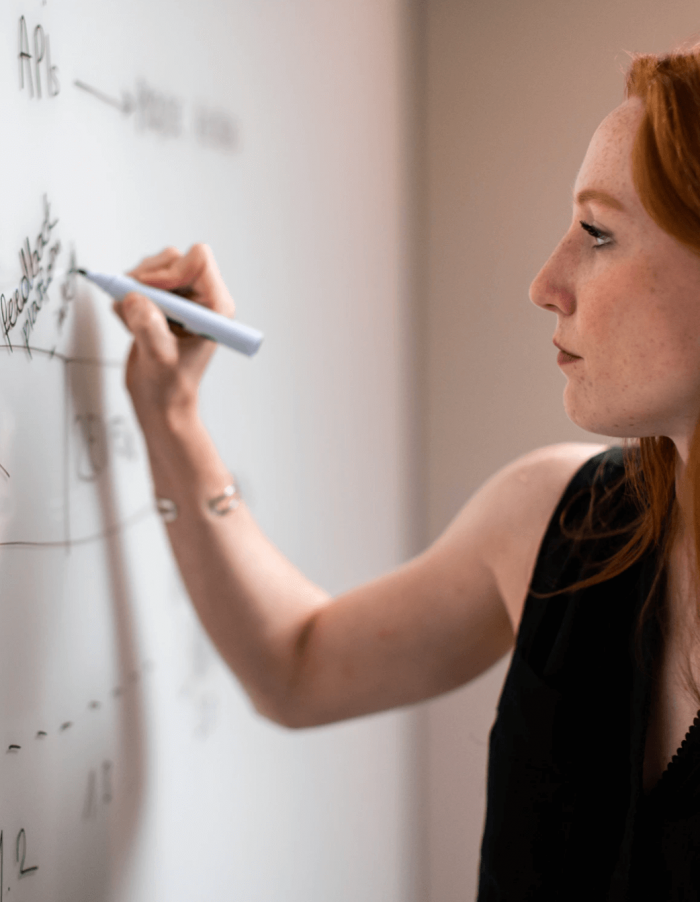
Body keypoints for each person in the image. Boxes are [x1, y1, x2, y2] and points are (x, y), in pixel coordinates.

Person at [114, 45, 700, 900]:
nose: (546, 283)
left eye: (600, 233)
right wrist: (172, 418)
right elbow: (297, 666)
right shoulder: (558, 522)